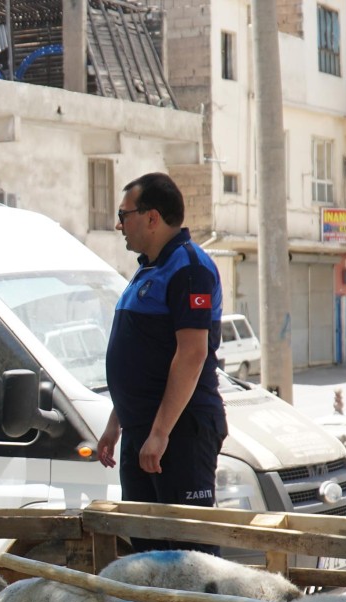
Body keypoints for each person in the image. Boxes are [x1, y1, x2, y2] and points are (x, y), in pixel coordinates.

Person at [96, 171, 227, 554]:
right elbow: (141, 356)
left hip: (179, 431)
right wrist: (115, 422)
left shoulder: (189, 268)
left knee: (190, 555)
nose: (119, 224)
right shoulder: (148, 268)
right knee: (146, 555)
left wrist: (160, 433)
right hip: (145, 430)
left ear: (152, 217)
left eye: (125, 214)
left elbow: (192, 354)